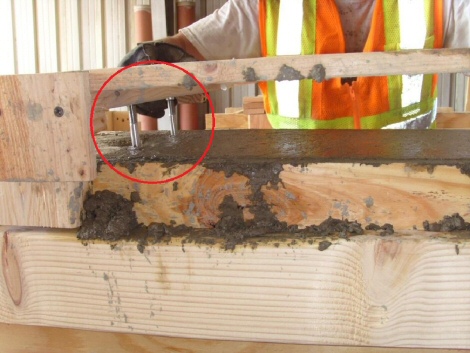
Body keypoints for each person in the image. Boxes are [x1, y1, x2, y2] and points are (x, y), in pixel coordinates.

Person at [120, 0, 470, 129]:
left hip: (409, 188)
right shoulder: (264, 7)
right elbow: (185, 51)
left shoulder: (441, 4)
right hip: (298, 190)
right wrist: (151, 62)